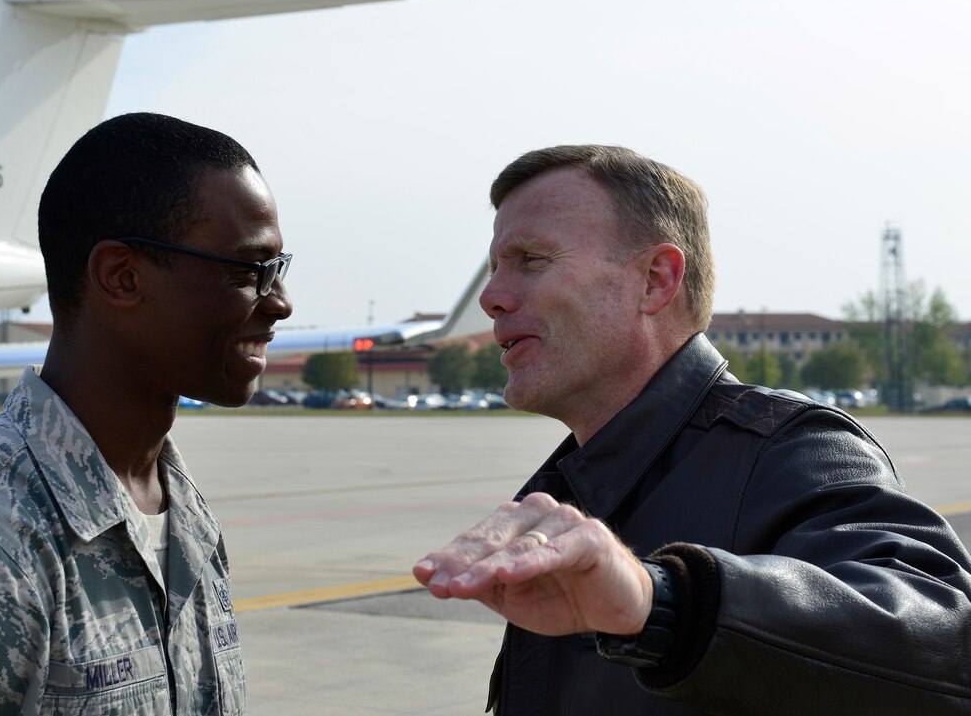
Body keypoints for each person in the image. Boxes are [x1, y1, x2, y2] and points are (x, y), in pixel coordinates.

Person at [413, 145, 971, 714]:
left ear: (655, 281)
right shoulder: (569, 484)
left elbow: (944, 633)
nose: (492, 298)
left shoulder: (789, 451)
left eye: (531, 259)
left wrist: (661, 602)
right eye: (495, 269)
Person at [0, 112, 292, 714]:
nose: (280, 303)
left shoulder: (178, 509)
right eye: (248, 270)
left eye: (278, 269)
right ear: (121, 277)